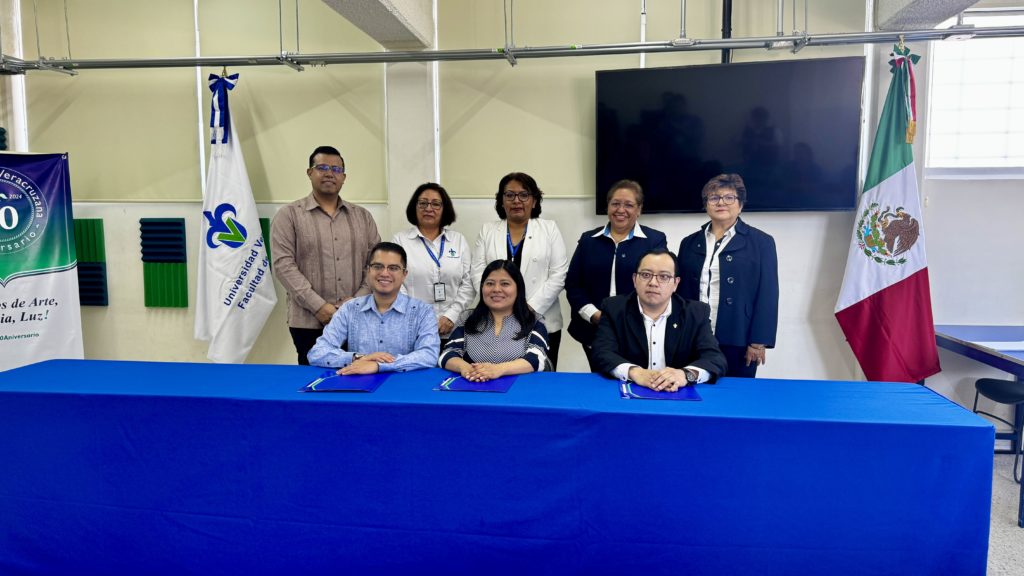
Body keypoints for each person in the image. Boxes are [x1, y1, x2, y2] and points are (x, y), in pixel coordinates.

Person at [271, 145, 381, 365]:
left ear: (344, 177)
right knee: (313, 379)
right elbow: (283, 265)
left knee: (359, 376)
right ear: (309, 172)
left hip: (357, 319)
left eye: (336, 169)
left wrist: (355, 303)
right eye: (322, 167)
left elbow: (376, 265)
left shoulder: (362, 217)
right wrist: (319, 307)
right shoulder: (289, 215)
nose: (330, 173)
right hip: (308, 321)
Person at [677, 174, 779, 378]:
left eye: (729, 197)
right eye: (714, 198)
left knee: (736, 394)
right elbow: (680, 293)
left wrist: (758, 342)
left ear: (740, 204)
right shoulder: (689, 243)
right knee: (692, 391)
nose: (721, 202)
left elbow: (768, 294)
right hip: (693, 337)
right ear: (706, 205)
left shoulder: (761, 242)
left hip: (739, 337)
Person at [565, 180, 667, 370]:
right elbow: (573, 284)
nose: (621, 210)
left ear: (639, 209)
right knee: (601, 379)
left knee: (635, 378)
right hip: (593, 327)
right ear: (608, 206)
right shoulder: (588, 240)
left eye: (629, 205)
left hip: (638, 327)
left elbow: (659, 284)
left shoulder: (654, 240)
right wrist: (593, 315)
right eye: (615, 203)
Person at [592, 249, 727, 390]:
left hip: (676, 393)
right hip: (629, 391)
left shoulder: (696, 313)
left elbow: (715, 358)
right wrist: (635, 372)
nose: (653, 283)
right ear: (634, 279)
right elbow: (602, 352)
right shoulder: (614, 308)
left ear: (675, 283)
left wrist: (685, 375)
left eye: (663, 276)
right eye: (646, 275)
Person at [472, 172, 568, 369]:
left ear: (534, 201)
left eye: (524, 195)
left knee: (539, 379)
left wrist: (528, 309)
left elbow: (559, 274)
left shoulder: (549, 229)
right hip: (495, 320)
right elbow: (477, 272)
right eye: (510, 195)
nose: (516, 201)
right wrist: (499, 305)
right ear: (501, 201)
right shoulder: (487, 230)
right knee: (496, 376)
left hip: (542, 318)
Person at [308, 242, 440, 373]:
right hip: (358, 383)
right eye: (378, 266)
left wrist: (379, 365)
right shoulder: (349, 309)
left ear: (404, 274)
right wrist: (360, 358)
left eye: (393, 268)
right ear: (368, 271)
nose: (384, 273)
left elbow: (429, 355)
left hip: (404, 384)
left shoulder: (423, 312)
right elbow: (317, 353)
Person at [439, 260, 549, 381]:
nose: (496, 289)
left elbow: (537, 359)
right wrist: (467, 369)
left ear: (518, 288)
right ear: (482, 287)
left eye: (505, 284)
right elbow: (447, 354)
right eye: (490, 283)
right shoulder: (467, 318)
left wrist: (498, 370)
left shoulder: (534, 321)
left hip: (519, 389)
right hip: (474, 386)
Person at [391, 183, 474, 343]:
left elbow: (468, 282)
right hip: (413, 328)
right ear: (414, 207)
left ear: (444, 209)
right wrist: (419, 318)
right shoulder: (400, 240)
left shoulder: (458, 240)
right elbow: (395, 282)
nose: (429, 208)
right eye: (423, 203)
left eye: (436, 204)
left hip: (454, 329)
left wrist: (451, 316)